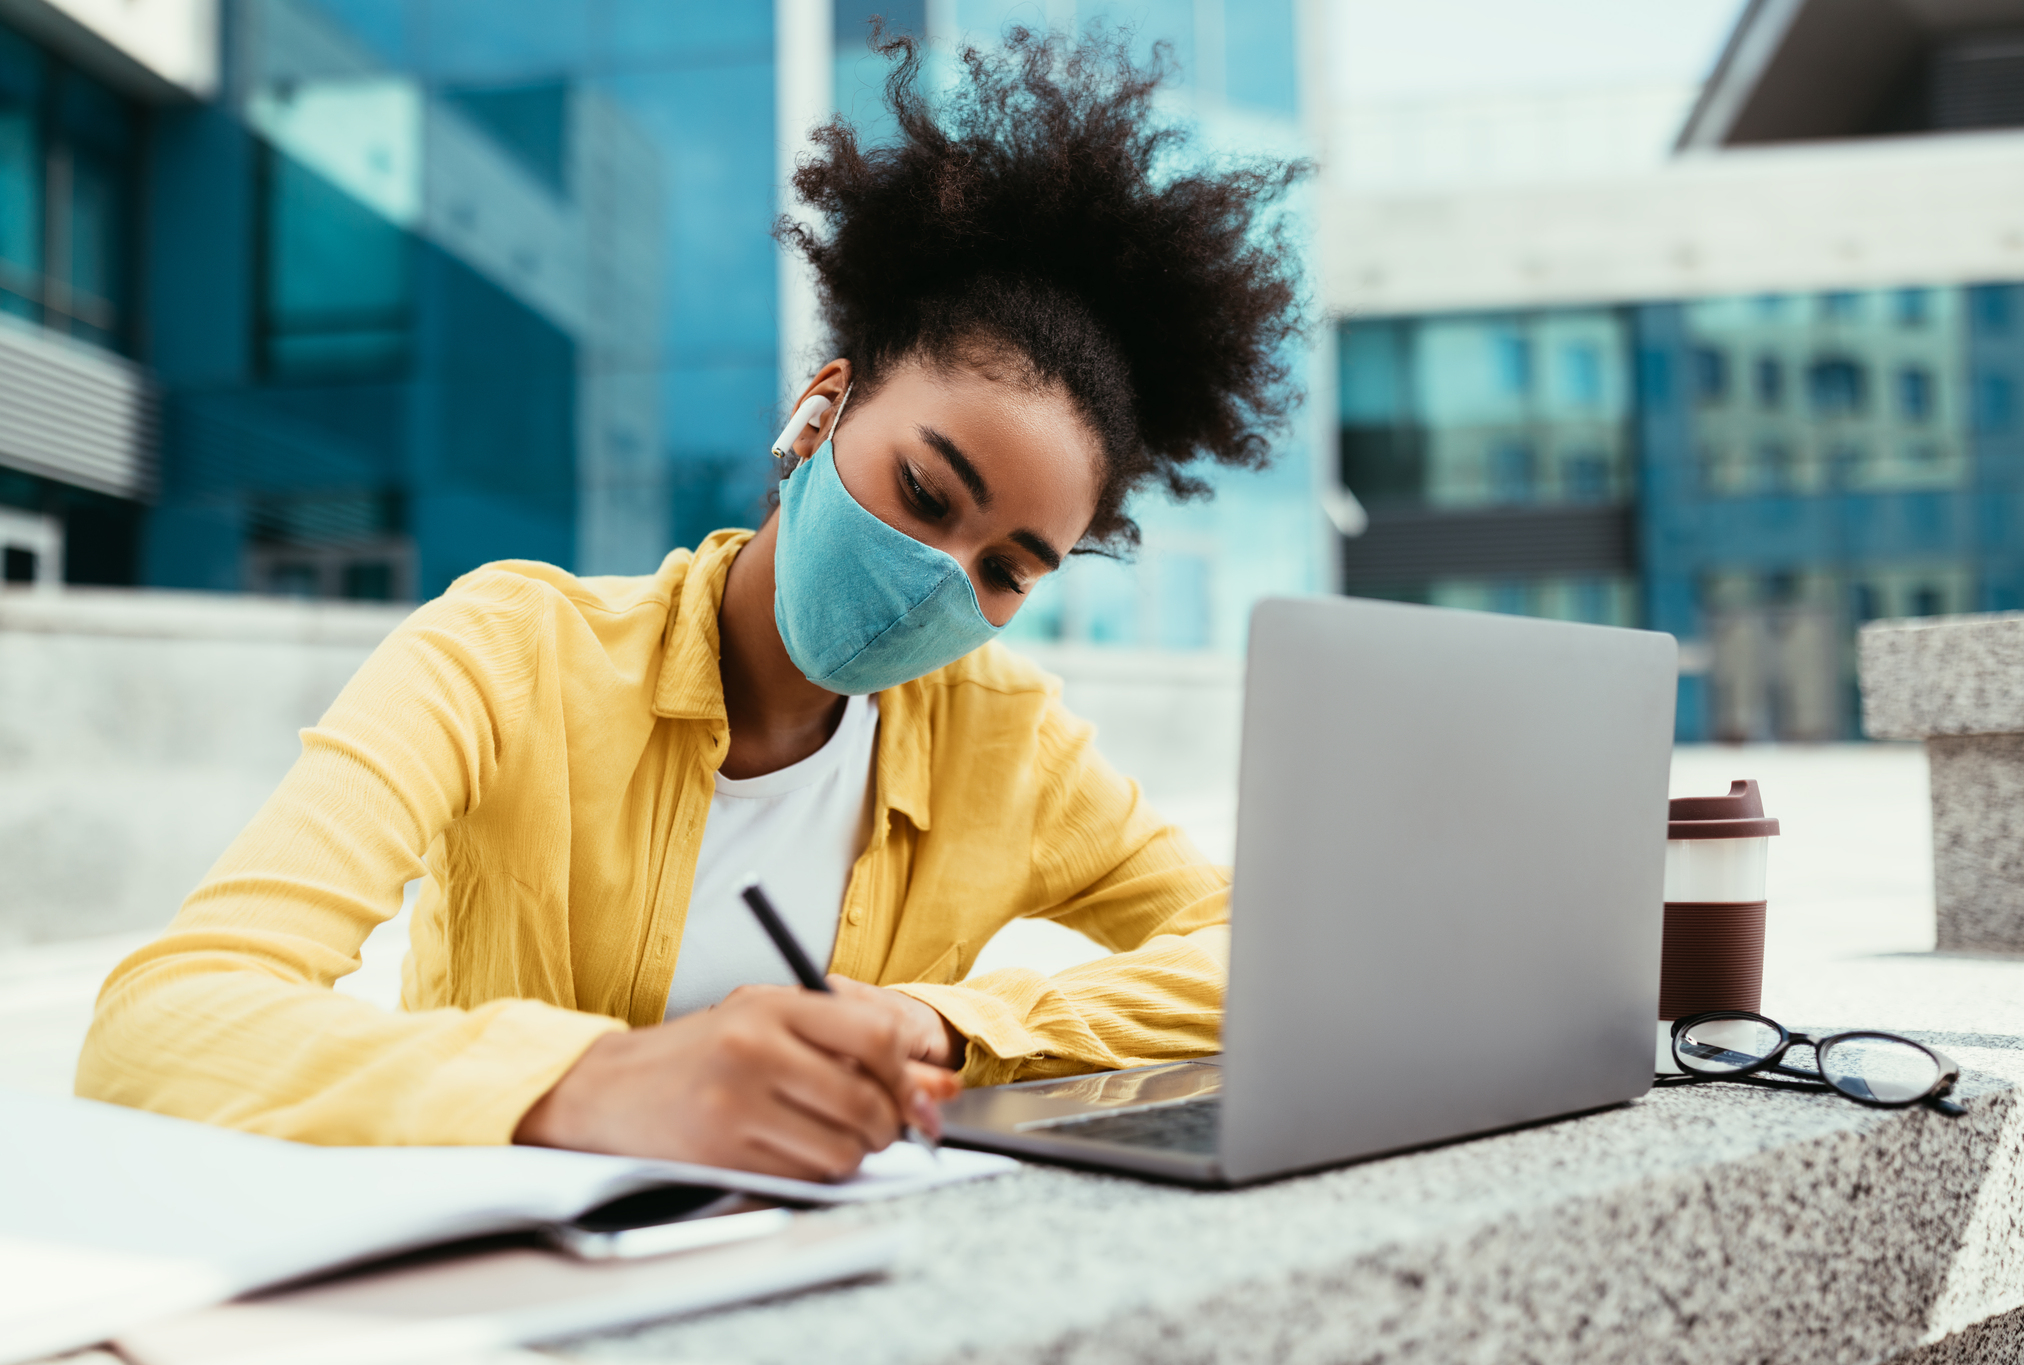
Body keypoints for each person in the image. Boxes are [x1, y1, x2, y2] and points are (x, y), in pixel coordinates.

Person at [76, 27, 1305, 1181]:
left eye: (1007, 568)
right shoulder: (509, 655)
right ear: (823, 411)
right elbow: (164, 1021)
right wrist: (596, 1084)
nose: (947, 572)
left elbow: (1278, 958)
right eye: (927, 492)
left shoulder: (1006, 742)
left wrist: (941, 1020)